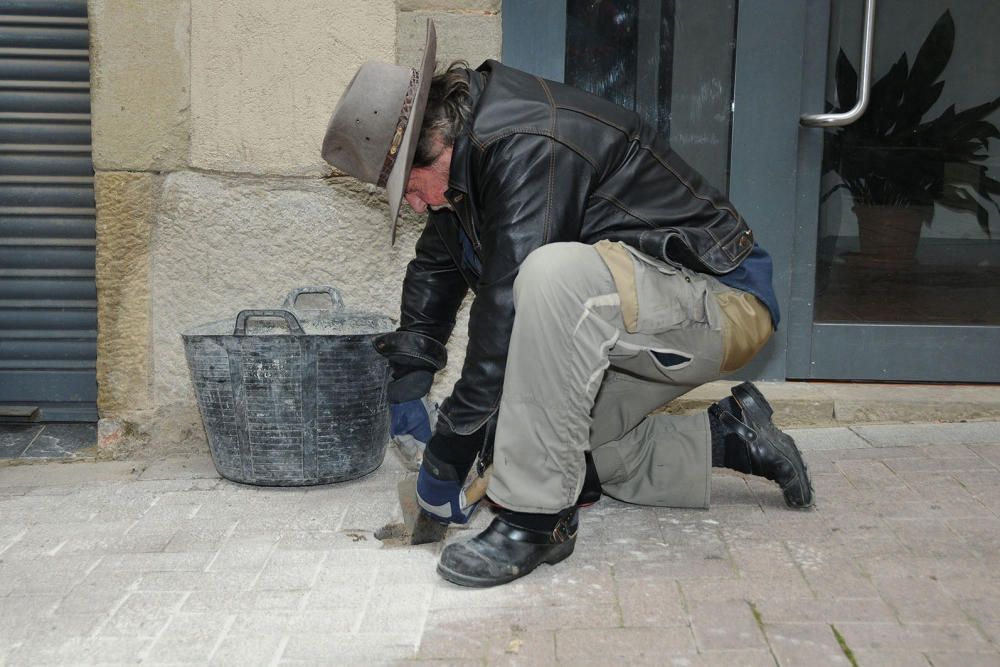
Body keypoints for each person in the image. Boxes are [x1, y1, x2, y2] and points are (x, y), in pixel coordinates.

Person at [322, 21, 814, 588]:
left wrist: (451, 448)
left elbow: (507, 308)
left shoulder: (528, 142)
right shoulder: (466, 168)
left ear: (436, 144)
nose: (411, 206)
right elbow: (436, 265)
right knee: (557, 452)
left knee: (550, 276)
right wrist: (411, 374)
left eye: (407, 188)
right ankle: (733, 435)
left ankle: (535, 522)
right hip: (637, 319)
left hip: (722, 304)